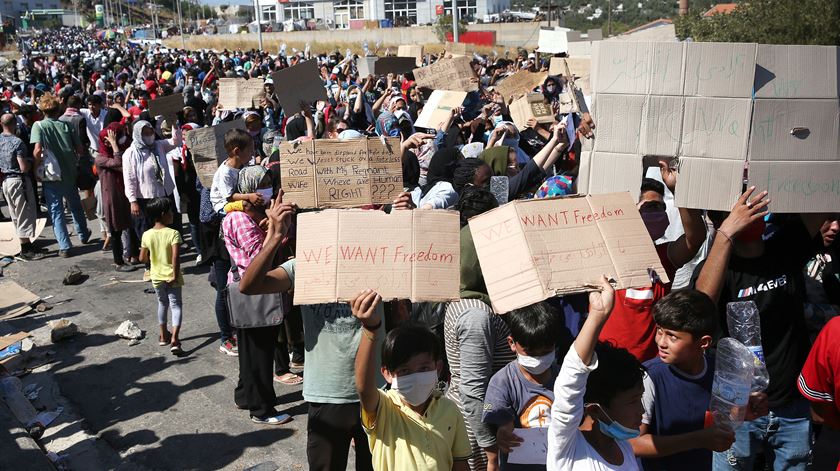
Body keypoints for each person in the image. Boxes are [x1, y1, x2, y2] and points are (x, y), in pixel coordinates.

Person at [691, 187, 829, 470]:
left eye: (754, 207)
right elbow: (700, 306)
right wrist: (727, 233)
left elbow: (823, 197)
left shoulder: (784, 246)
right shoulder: (717, 268)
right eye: (740, 210)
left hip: (791, 405)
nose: (750, 214)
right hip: (737, 408)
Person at [239, 192, 377, 471]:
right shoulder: (305, 266)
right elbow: (249, 286)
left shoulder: (379, 262)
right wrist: (274, 237)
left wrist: (405, 220)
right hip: (326, 395)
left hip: (376, 395)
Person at [631, 290, 768, 470]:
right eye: (659, 331)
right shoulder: (649, 376)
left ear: (703, 342)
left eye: (672, 336)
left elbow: (718, 420)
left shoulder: (718, 371)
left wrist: (741, 412)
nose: (661, 342)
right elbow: (633, 443)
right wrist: (699, 439)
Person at [352, 292, 471, 471]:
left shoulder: (450, 410)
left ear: (438, 368)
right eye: (405, 371)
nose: (415, 376)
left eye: (423, 368)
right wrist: (370, 329)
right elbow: (364, 388)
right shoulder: (385, 409)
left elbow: (460, 463)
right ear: (387, 373)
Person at [547, 275, 645, 470]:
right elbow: (570, 381)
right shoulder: (567, 448)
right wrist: (598, 316)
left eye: (640, 399)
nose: (642, 411)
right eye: (633, 401)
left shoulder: (624, 448)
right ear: (594, 409)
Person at [222, 165, 295, 425]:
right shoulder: (240, 218)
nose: (267, 188)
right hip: (252, 293)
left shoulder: (247, 215)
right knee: (260, 354)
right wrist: (276, 232)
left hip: (253, 290)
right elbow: (257, 260)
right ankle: (262, 409)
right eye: (261, 183)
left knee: (250, 352)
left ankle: (246, 395)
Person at [482, 302, 569, 471]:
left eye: (545, 352)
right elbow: (501, 425)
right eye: (530, 352)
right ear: (512, 343)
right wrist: (503, 434)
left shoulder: (564, 379)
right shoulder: (502, 382)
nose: (538, 359)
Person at [31, 92, 91, 258]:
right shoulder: (66, 125)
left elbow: (37, 150)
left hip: (51, 175)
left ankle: (65, 245)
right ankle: (83, 234)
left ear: (43, 110)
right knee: (75, 204)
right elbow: (79, 149)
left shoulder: (39, 126)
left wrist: (36, 169)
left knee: (56, 210)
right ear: (58, 109)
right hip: (69, 170)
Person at [139, 197, 184, 355]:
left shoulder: (147, 235)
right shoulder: (173, 234)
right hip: (172, 275)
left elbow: (142, 258)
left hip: (156, 276)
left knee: (162, 303)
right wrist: (175, 274)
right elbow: (175, 257)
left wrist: (153, 258)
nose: (172, 214)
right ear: (164, 214)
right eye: (171, 211)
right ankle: (175, 339)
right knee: (176, 305)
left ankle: (164, 335)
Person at [94, 122, 139, 271]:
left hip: (126, 193)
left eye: (112, 137)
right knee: (116, 230)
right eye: (106, 139)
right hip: (112, 195)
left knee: (131, 226)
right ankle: (118, 262)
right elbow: (119, 162)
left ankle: (134, 254)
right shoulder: (100, 157)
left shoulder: (126, 148)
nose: (108, 141)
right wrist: (114, 145)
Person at [0, 113, 43, 260]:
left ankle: (25, 244)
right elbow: (23, 167)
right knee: (24, 214)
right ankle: (26, 249)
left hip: (5, 181)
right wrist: (32, 162)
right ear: (14, 124)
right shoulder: (17, 142)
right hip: (19, 180)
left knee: (15, 214)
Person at [210, 128, 262, 214]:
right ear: (237, 151)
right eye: (250, 151)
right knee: (245, 205)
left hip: (239, 197)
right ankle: (263, 222)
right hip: (224, 205)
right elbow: (229, 197)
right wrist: (249, 196)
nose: (253, 153)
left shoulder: (243, 163)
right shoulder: (226, 172)